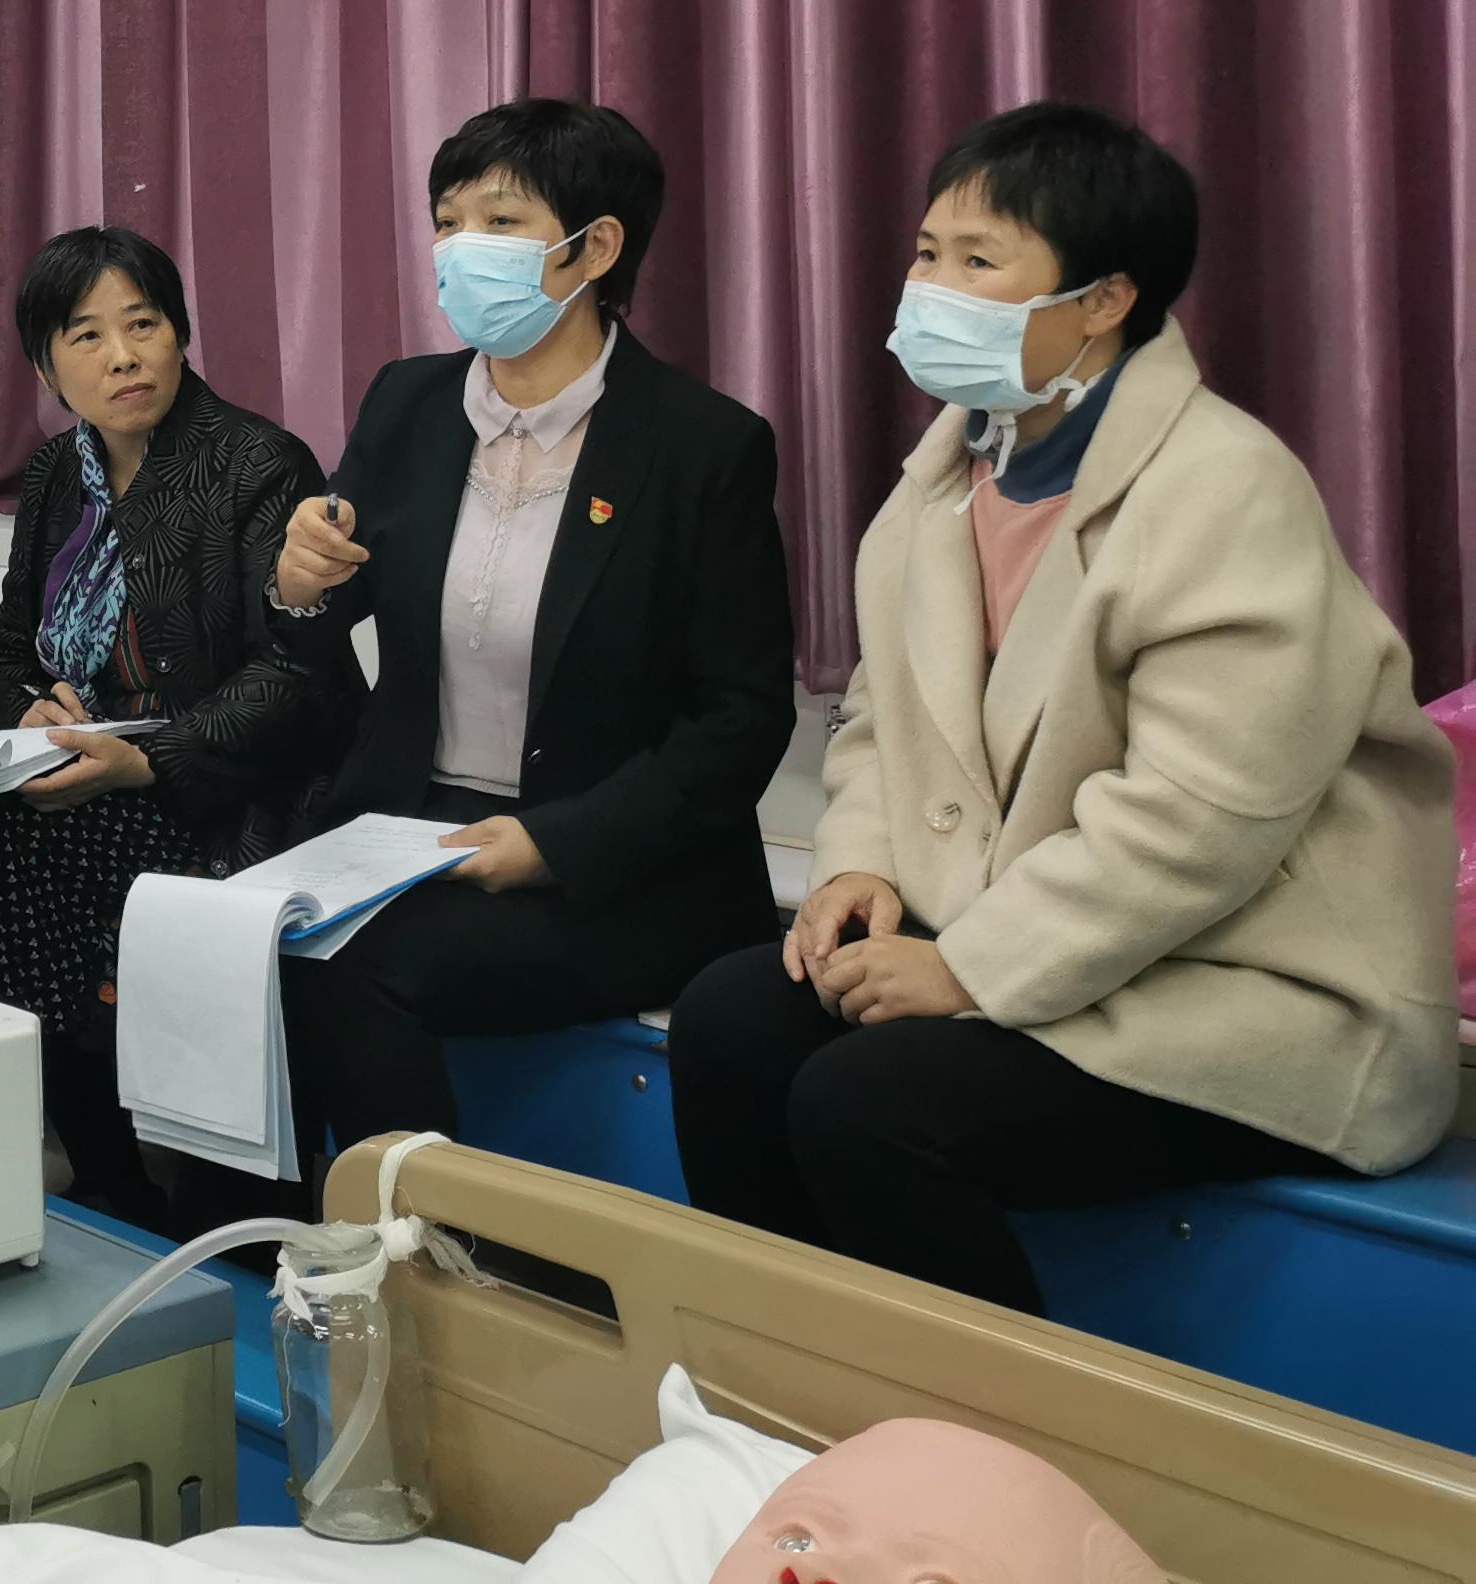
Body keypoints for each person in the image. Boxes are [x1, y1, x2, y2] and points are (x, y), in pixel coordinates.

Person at [670, 105, 1459, 1312]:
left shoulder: (1224, 488)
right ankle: (780, 1381)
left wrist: (971, 969)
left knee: (869, 1103)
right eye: (928, 252)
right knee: (730, 1019)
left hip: (1245, 988)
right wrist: (858, 867)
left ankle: (982, 1425)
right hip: (1056, 950)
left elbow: (1200, 821)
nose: (932, 287)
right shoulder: (948, 474)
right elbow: (885, 722)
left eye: (979, 260)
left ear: (1104, 301)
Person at [264, 99, 795, 1196]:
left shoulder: (703, 446)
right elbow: (330, 612)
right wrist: (299, 586)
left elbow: (741, 720)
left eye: (500, 222)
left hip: (616, 868)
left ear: (595, 250)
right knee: (227, 931)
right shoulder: (409, 400)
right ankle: (259, 1235)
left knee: (348, 972)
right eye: (447, 220)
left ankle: (426, 1257)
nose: (462, 248)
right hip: (415, 831)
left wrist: (553, 844)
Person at [0, 227, 353, 1225]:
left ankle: (226, 1203)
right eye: (86, 336)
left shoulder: (257, 462)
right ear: (46, 367)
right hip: (94, 768)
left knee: (77, 856)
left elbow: (294, 675)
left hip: (245, 783)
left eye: (143, 325)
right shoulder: (55, 474)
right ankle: (103, 1167)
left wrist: (147, 764)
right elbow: (8, 648)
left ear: (180, 333)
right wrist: (31, 706)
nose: (123, 357)